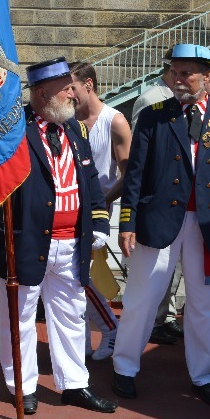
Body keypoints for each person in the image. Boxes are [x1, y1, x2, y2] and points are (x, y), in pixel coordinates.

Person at [0, 57, 117, 415]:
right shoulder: (12, 132)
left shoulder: (75, 131)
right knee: (19, 317)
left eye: (72, 86)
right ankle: (22, 387)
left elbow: (90, 182)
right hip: (24, 241)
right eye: (66, 87)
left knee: (71, 314)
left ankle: (74, 385)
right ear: (42, 93)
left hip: (71, 242)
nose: (74, 93)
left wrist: (99, 224)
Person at [112, 44, 210, 408]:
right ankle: (124, 367)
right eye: (175, 72)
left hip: (208, 228)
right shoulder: (155, 117)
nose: (179, 78)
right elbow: (135, 173)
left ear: (207, 76)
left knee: (206, 305)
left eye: (187, 72)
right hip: (159, 223)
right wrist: (129, 222)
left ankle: (204, 375)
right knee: (142, 298)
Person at [69, 61, 131, 362]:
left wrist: (100, 201)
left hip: (96, 216)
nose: (68, 94)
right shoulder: (67, 119)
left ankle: (110, 330)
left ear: (89, 85)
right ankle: (82, 345)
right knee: (72, 281)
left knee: (81, 279)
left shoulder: (114, 121)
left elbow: (128, 175)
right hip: (69, 212)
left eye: (73, 87)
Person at [132, 57, 185, 347]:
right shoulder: (152, 99)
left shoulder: (183, 102)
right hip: (158, 198)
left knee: (174, 267)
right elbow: (141, 147)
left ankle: (164, 316)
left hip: (179, 201)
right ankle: (152, 321)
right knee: (155, 269)